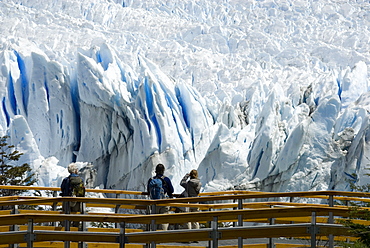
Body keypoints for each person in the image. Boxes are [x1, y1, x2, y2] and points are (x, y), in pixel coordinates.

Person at [147, 163, 174, 230]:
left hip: (154, 203)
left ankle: (154, 236)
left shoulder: (151, 179)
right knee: (163, 220)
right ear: (163, 170)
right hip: (164, 202)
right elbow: (172, 190)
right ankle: (162, 236)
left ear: (156, 171)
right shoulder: (166, 179)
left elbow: (148, 191)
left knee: (154, 220)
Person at [60, 163, 85, 227]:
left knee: (66, 214)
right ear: (75, 170)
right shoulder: (81, 179)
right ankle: (75, 229)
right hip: (77, 200)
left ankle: (65, 229)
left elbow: (62, 188)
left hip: (67, 200)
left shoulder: (66, 180)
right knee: (76, 215)